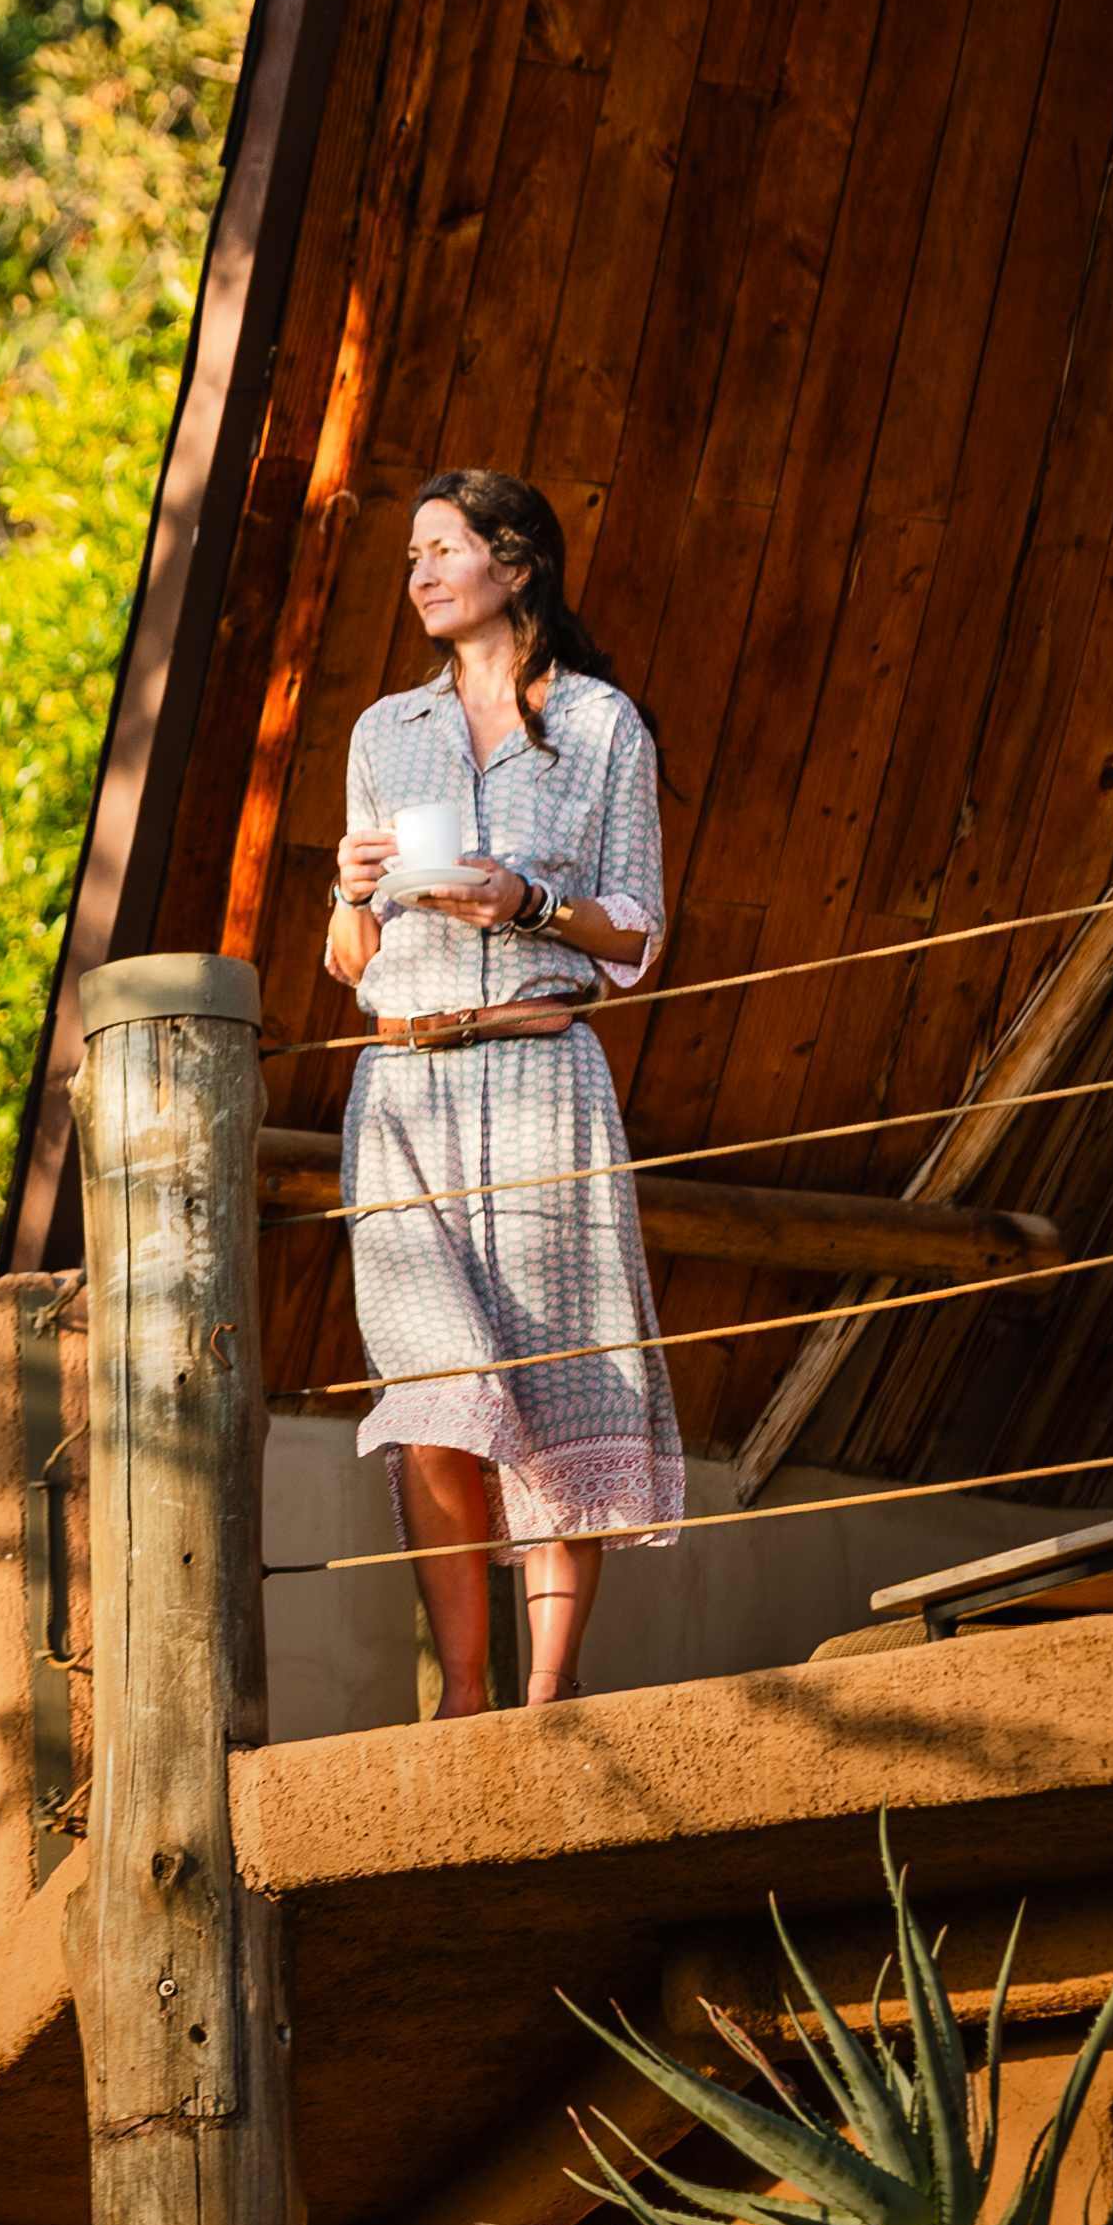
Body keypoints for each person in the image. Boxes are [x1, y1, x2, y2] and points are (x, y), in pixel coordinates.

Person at [324, 467, 674, 1713]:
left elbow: (637, 939)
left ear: (515, 567)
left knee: (559, 1379)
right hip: (403, 1091)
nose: (418, 573)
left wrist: (523, 900)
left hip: (539, 1075)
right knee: (432, 1393)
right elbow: (348, 962)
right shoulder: (383, 735)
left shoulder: (600, 728)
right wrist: (357, 890)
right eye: (411, 555)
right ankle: (464, 1699)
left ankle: (545, 1699)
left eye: (442, 549)